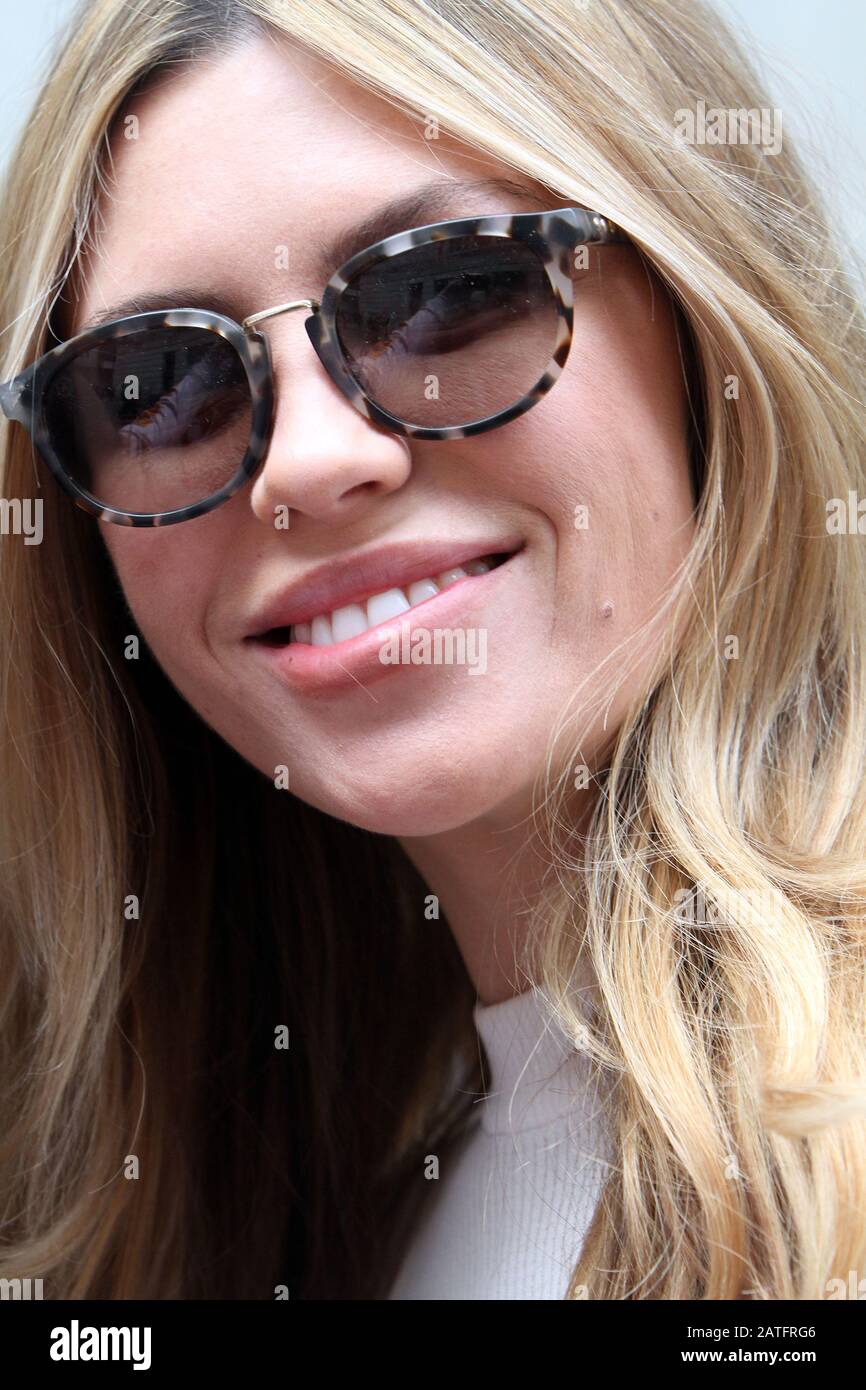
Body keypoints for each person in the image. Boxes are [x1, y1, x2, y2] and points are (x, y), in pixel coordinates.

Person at [0, 0, 863, 1300]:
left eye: (446, 289)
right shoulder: (297, 1214)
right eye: (157, 383)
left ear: (701, 324)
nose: (312, 460)